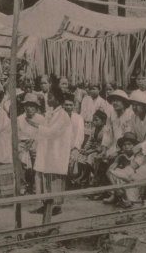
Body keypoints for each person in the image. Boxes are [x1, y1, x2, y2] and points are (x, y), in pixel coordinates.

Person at [27, 85, 72, 216]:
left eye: (50, 97)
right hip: (48, 150)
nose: (48, 99)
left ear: (57, 100)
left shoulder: (63, 115)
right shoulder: (51, 113)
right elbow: (45, 130)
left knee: (54, 178)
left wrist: (36, 125)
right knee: (44, 177)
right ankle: (45, 204)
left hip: (57, 152)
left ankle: (56, 207)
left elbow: (52, 132)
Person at [17, 93, 45, 194]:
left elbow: (43, 134)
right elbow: (17, 135)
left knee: (36, 157)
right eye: (27, 105)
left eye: (32, 106)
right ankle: (23, 184)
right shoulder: (19, 119)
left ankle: (35, 184)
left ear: (36, 107)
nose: (29, 108)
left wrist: (33, 140)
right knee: (19, 157)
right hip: (23, 144)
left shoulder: (41, 119)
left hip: (36, 143)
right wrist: (23, 143)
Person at [62, 94, 85, 188]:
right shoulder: (59, 117)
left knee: (73, 160)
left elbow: (80, 134)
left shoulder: (78, 118)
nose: (68, 107)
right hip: (62, 146)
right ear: (63, 105)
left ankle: (72, 180)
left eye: (70, 105)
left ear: (74, 106)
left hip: (74, 146)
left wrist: (76, 147)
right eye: (66, 105)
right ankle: (64, 181)